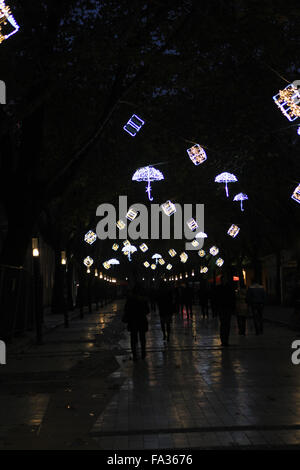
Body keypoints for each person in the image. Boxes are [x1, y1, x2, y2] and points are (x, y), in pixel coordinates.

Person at [123, 284, 150, 360]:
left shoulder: (130, 299)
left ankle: (134, 354)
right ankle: (143, 353)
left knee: (133, 338)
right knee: (142, 338)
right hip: (141, 320)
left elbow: (126, 309)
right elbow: (147, 310)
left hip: (133, 321)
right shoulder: (143, 299)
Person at [215, 277, 236, 346]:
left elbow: (233, 298)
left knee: (226, 324)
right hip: (223, 308)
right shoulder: (228, 288)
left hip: (226, 308)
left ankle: (225, 340)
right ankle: (224, 340)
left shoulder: (220, 288)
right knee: (224, 324)